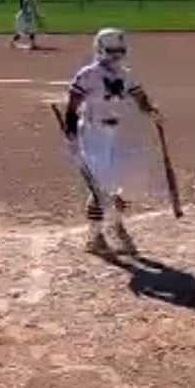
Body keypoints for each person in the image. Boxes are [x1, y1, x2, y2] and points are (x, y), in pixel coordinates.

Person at [62, 27, 161, 257]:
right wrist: (71, 133)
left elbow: (140, 99)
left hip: (116, 134)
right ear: (100, 49)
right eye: (111, 50)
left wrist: (152, 111)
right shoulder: (88, 74)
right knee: (100, 187)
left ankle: (116, 224)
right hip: (92, 134)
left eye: (119, 50)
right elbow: (73, 105)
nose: (116, 55)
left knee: (126, 184)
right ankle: (95, 237)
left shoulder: (126, 75)